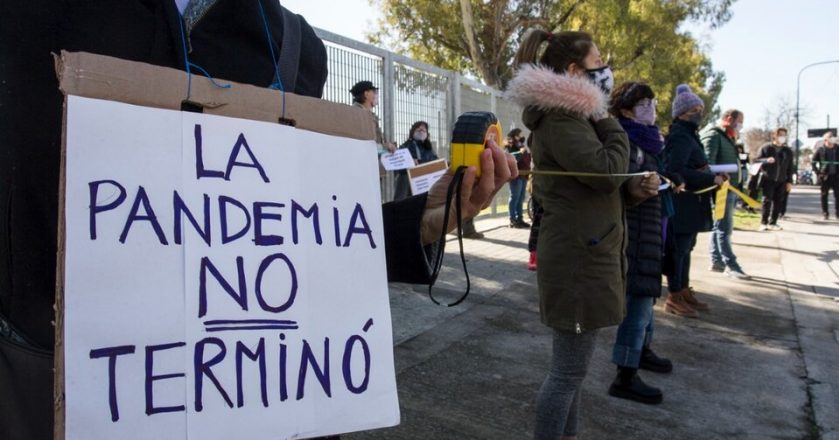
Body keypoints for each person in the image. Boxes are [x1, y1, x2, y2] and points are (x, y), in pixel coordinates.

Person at [0, 3, 517, 439]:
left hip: (250, 397)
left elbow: (290, 233)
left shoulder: (294, 45)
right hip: (56, 389)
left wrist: (424, 220)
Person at [506, 29, 659, 440]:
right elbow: (605, 171)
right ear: (575, 70)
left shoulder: (573, 117)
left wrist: (633, 190)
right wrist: (609, 120)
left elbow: (593, 187)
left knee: (572, 374)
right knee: (566, 374)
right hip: (579, 260)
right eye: (598, 63)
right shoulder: (564, 117)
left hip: (586, 251)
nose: (606, 71)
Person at [606, 81, 683, 405]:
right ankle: (625, 373)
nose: (651, 109)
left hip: (652, 226)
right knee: (637, 299)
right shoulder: (624, 139)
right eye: (643, 104)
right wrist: (651, 180)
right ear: (625, 110)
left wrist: (668, 180)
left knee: (647, 297)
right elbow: (621, 184)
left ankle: (643, 351)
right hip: (633, 229)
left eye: (652, 102)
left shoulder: (651, 140)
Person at [664, 84, 725, 318]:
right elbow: (675, 169)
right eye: (694, 109)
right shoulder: (680, 136)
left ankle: (683, 289)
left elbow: (692, 165)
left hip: (693, 202)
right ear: (681, 113)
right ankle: (674, 295)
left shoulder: (690, 135)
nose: (699, 113)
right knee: (679, 250)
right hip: (683, 202)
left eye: (701, 108)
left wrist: (712, 174)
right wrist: (710, 177)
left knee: (687, 249)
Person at [701, 109, 751, 280]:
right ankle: (731, 265)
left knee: (720, 227)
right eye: (740, 121)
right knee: (724, 228)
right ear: (729, 118)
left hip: (730, 188)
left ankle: (717, 261)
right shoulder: (715, 135)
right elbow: (707, 163)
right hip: (721, 189)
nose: (741, 125)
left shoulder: (728, 137)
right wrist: (719, 175)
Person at [756, 128, 795, 230]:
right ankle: (763, 223)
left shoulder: (788, 151)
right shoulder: (766, 148)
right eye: (780, 135)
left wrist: (789, 181)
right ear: (775, 136)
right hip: (768, 179)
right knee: (767, 201)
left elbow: (790, 167)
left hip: (782, 180)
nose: (782, 137)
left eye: (784, 135)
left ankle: (773, 222)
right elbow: (756, 160)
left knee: (779, 202)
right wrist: (766, 160)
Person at [393, 121, 439, 201]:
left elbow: (435, 162)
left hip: (424, 184)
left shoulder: (429, 149)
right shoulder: (405, 146)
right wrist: (410, 162)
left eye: (424, 130)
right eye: (418, 129)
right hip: (407, 185)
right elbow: (398, 164)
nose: (421, 131)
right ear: (413, 132)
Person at [505, 128, 531, 228]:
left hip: (523, 174)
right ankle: (512, 219)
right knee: (515, 197)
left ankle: (519, 219)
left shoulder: (521, 145)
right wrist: (520, 152)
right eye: (520, 134)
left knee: (521, 198)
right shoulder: (510, 145)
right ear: (515, 135)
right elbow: (510, 158)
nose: (522, 136)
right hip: (516, 174)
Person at [812, 131, 839, 220]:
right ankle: (825, 213)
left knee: (838, 195)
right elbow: (813, 162)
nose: (832, 138)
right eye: (830, 136)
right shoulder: (821, 150)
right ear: (825, 139)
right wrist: (818, 173)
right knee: (824, 195)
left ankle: (838, 213)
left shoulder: (838, 148)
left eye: (833, 136)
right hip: (825, 176)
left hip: (837, 176)